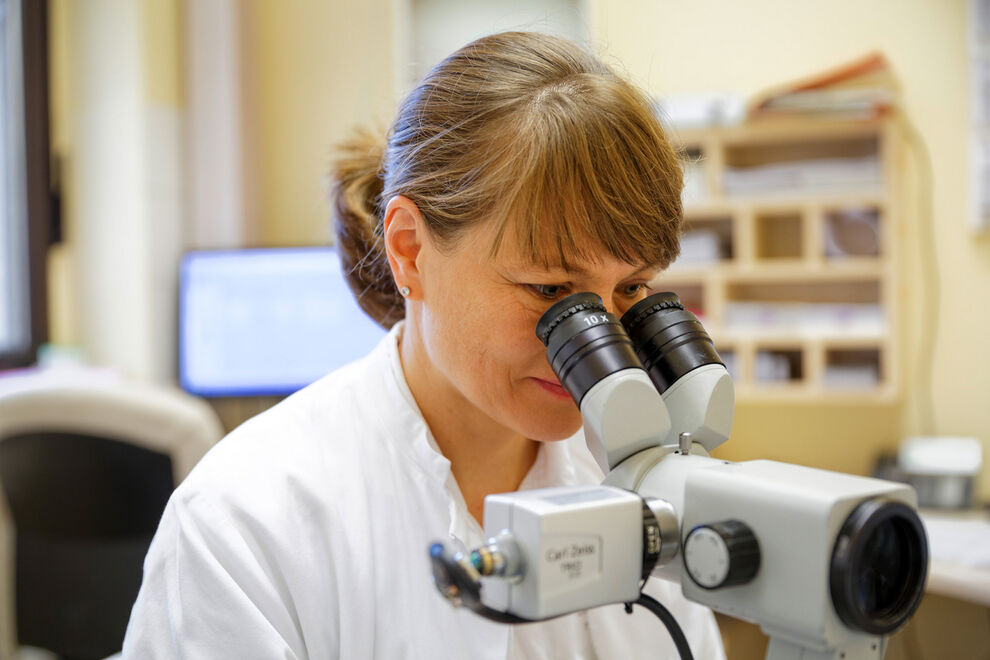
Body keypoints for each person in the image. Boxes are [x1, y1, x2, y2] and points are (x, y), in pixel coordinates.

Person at [123, 31, 726, 659]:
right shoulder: (245, 522)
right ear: (410, 250)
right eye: (550, 287)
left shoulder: (648, 491)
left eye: (631, 287)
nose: (598, 343)